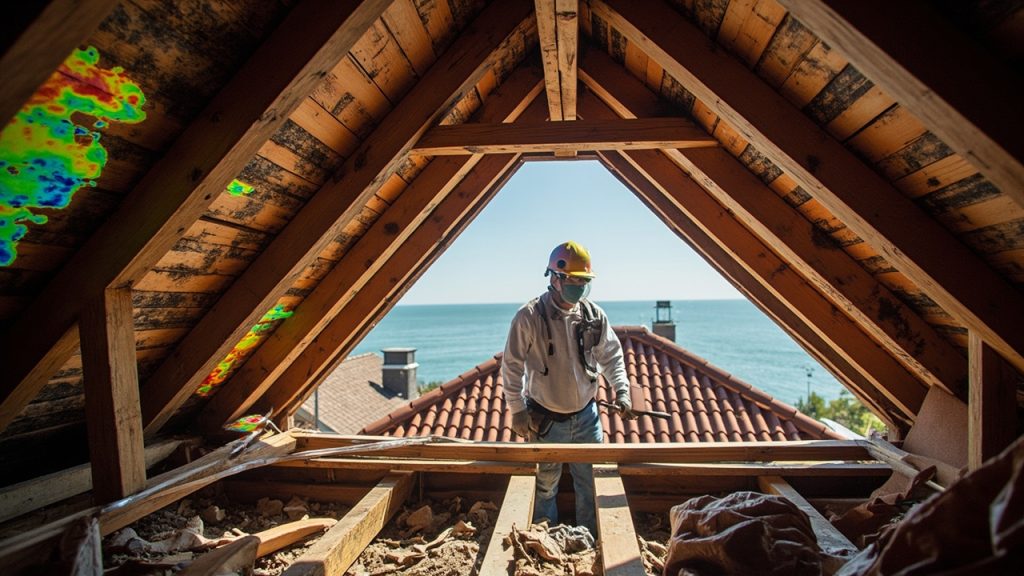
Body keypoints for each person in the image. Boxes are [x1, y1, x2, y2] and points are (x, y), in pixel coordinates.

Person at [501, 240, 634, 537]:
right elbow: (512, 366)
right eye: (575, 280)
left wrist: (621, 391)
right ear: (555, 278)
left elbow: (611, 356)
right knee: (545, 484)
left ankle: (586, 536)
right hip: (546, 421)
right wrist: (517, 410)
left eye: (584, 281)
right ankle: (545, 540)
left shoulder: (593, 316)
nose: (580, 287)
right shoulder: (529, 317)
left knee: (589, 482)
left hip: (587, 418)